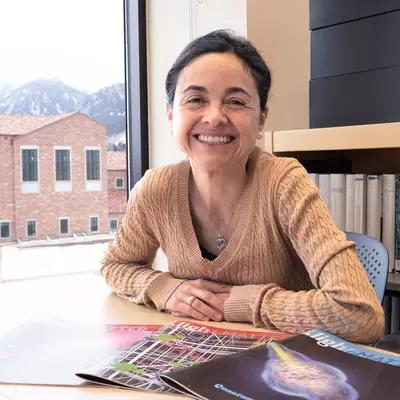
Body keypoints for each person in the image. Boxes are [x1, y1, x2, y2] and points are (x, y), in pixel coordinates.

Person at [101, 30, 384, 343]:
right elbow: (116, 265)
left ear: (261, 120)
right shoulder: (156, 189)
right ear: (171, 115)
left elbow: (359, 314)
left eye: (235, 101)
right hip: (195, 355)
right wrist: (164, 289)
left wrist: (245, 302)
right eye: (195, 99)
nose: (214, 116)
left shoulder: (284, 183)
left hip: (285, 369)